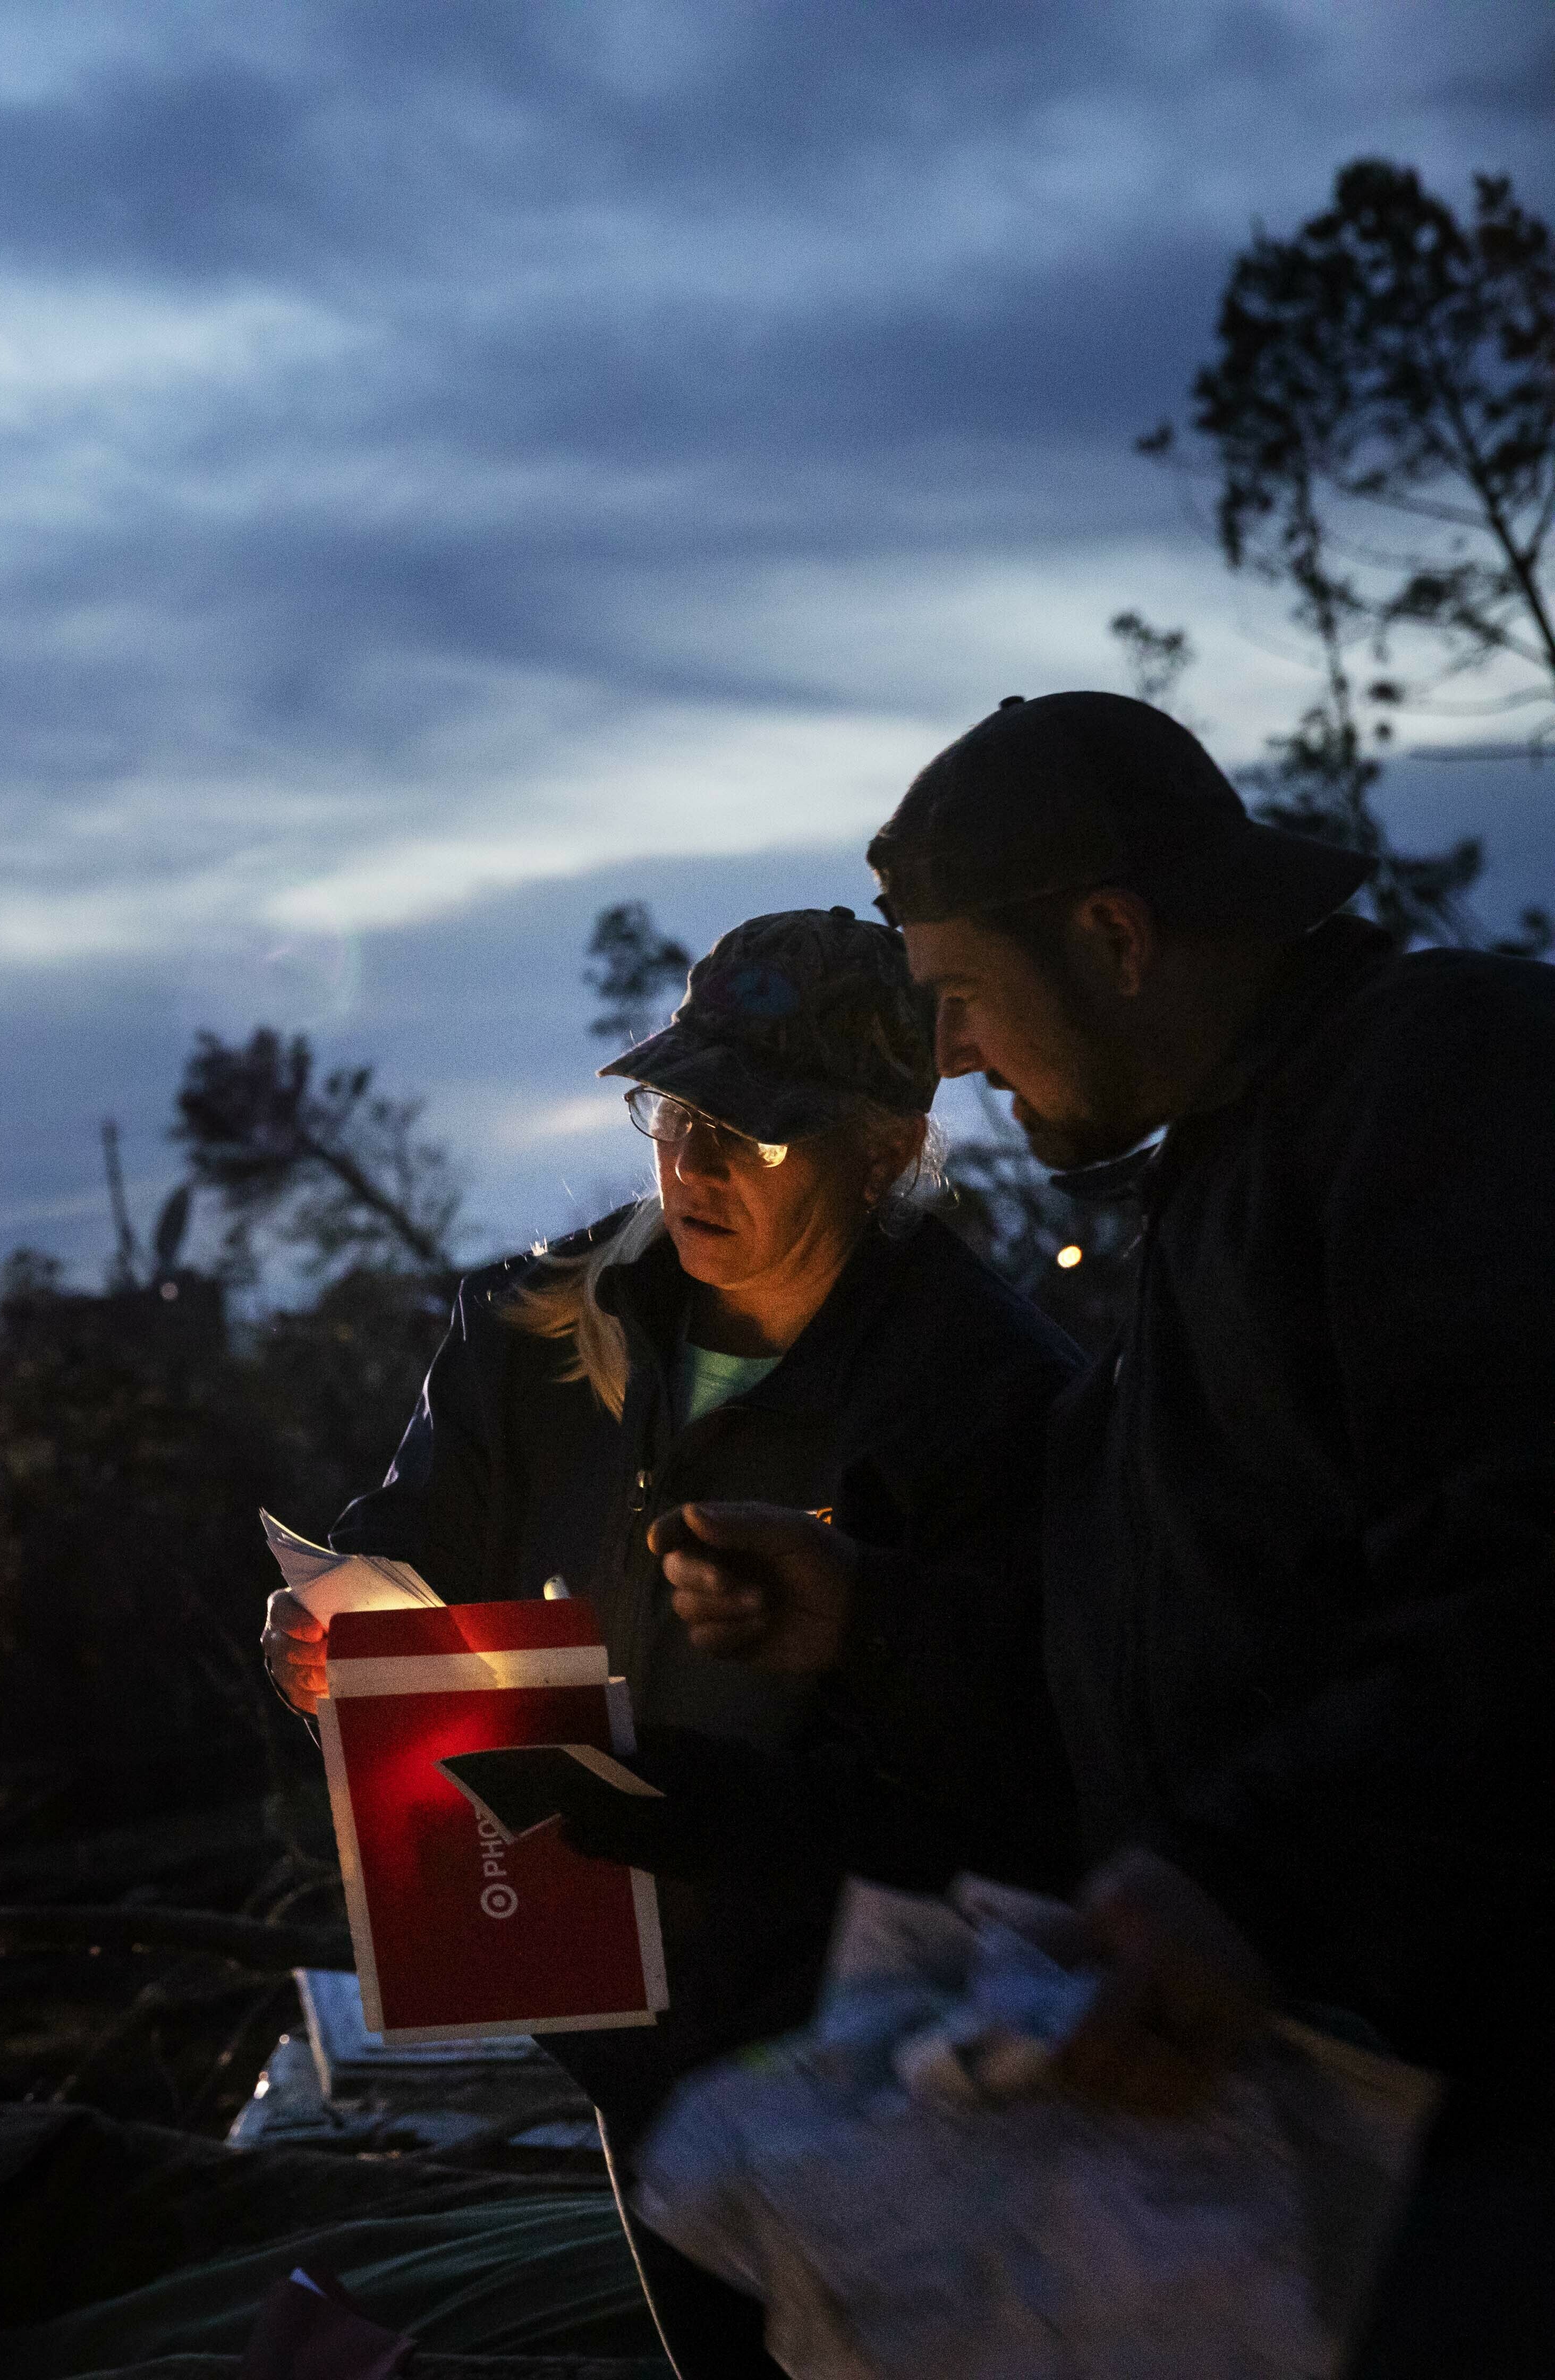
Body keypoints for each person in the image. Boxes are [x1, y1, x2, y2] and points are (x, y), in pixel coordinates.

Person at [664, 691, 1555, 2373]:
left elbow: (1523, 1575)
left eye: (960, 1000)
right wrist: (868, 1613)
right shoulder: (1219, 1180)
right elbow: (1181, 1622)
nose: (953, 1057)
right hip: (1336, 2107)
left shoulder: (1445, 1082)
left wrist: (1242, 1877)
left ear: (1116, 936)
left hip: (1495, 2121)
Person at [262, 906, 1078, 2380]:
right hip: (593, 1990)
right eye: (677, 1113)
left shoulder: (982, 1395)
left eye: (751, 1133)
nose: (694, 1166)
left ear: (887, 1148)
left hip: (853, 2044)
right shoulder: (536, 1327)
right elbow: (419, 1544)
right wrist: (340, 1628)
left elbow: (1008, 1754)